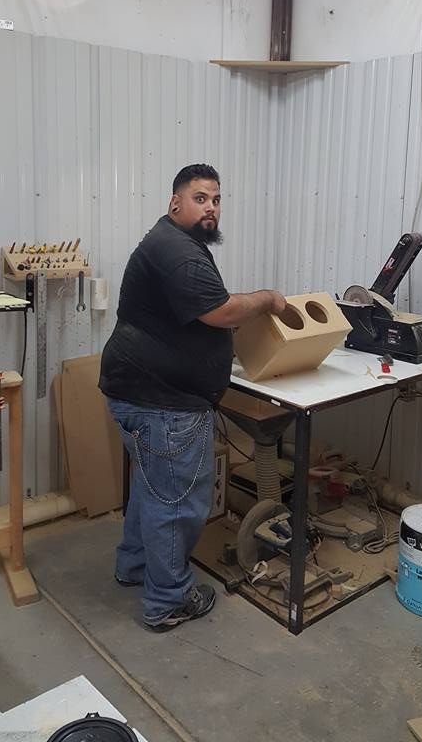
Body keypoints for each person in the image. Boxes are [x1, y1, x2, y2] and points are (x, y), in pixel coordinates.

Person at [99, 163, 286, 631]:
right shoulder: (177, 251)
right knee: (177, 502)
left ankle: (135, 565)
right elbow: (219, 311)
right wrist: (266, 299)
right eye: (200, 198)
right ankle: (166, 601)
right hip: (162, 401)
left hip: (141, 391)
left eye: (217, 199)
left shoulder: (176, 244)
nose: (211, 208)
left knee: (152, 488)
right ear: (175, 203)